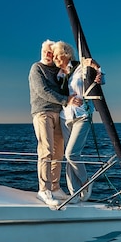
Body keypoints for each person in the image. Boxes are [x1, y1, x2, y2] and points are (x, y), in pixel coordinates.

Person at [28, 40, 80, 206]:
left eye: (51, 52)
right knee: (46, 150)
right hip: (42, 113)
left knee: (58, 152)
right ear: (41, 52)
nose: (48, 55)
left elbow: (76, 68)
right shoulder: (36, 68)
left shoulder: (58, 71)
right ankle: (44, 190)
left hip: (59, 113)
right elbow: (42, 91)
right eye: (45, 51)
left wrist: (97, 73)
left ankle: (55, 187)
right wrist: (66, 100)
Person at [51, 41, 103, 202]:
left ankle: (86, 183)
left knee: (71, 154)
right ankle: (73, 194)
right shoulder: (58, 74)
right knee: (69, 157)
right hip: (64, 117)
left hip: (82, 115)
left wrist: (98, 71)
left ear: (66, 54)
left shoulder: (81, 67)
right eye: (53, 57)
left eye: (57, 56)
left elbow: (98, 73)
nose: (55, 59)